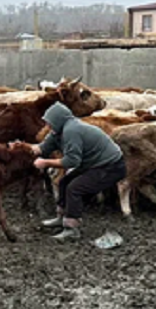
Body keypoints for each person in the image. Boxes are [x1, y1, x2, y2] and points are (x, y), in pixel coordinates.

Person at [33, 102, 127, 241]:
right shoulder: (57, 131)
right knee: (65, 182)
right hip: (93, 163)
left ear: (59, 121)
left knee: (75, 188)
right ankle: (62, 217)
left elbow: (72, 161)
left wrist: (46, 163)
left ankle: (72, 228)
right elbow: (42, 148)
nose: (48, 126)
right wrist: (21, 148)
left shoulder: (72, 131)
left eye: (50, 123)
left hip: (110, 166)